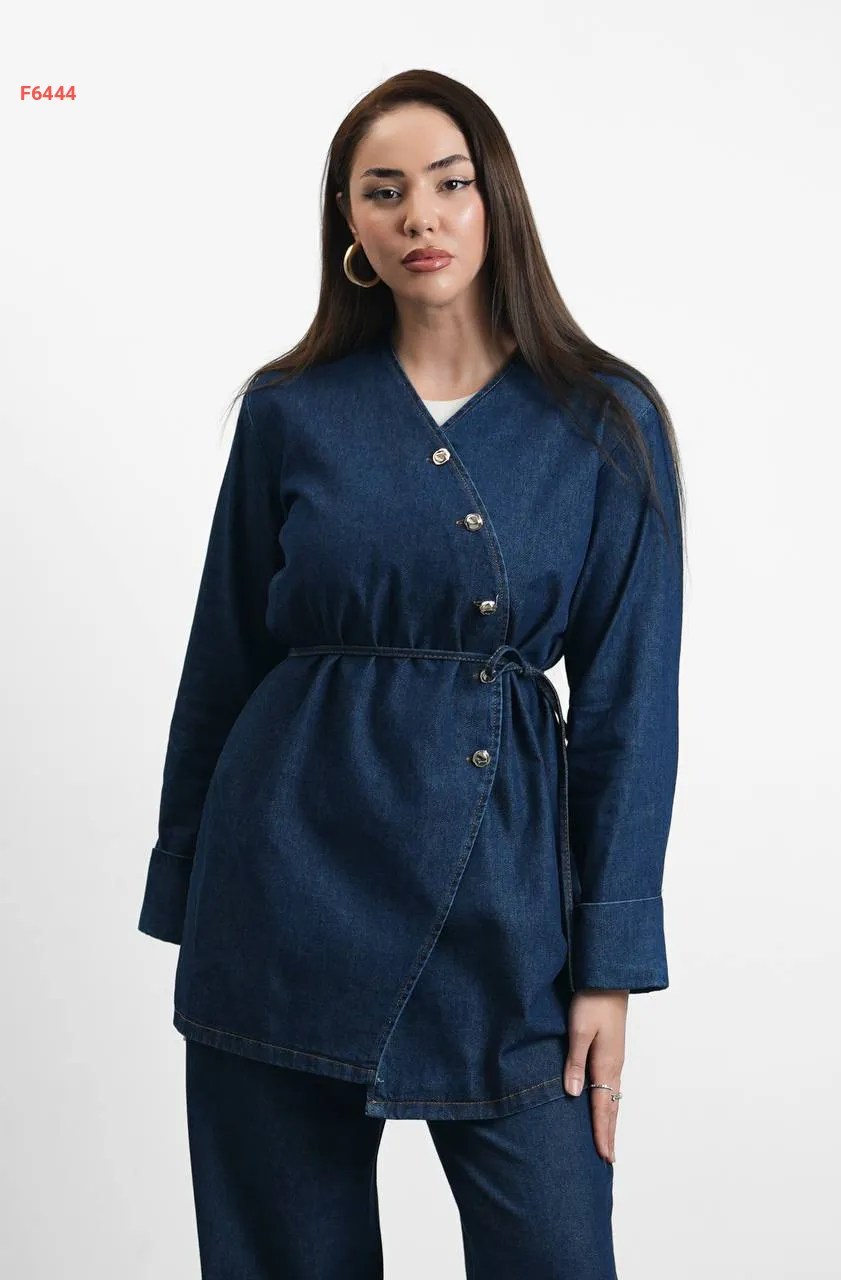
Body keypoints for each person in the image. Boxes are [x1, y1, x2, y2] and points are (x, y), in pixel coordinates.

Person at [138, 67, 686, 1279]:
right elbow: (222, 658)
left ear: (498, 201)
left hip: (509, 914)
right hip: (277, 892)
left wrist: (609, 965)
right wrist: (186, 884)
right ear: (348, 222)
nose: (418, 217)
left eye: (448, 183)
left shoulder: (604, 419)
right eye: (382, 191)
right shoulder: (290, 410)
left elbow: (629, 712)